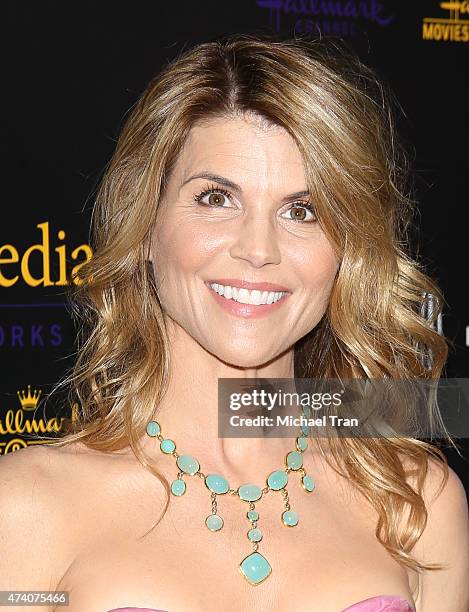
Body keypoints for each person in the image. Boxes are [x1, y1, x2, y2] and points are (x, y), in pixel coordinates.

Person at [1, 33, 468, 612]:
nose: (258, 249)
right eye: (216, 198)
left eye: (304, 211)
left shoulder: (416, 501)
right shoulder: (23, 506)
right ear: (146, 225)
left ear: (347, 250)